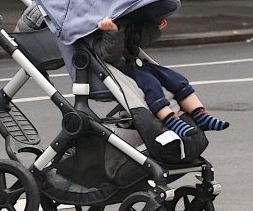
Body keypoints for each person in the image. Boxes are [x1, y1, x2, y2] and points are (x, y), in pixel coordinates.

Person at [92, 15, 229, 138]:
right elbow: (110, 55)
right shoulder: (93, 32)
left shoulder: (123, 20)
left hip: (137, 64)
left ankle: (200, 114)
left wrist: (154, 27)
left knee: (175, 78)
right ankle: (171, 120)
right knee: (151, 84)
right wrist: (112, 32)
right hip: (121, 71)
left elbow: (138, 39)